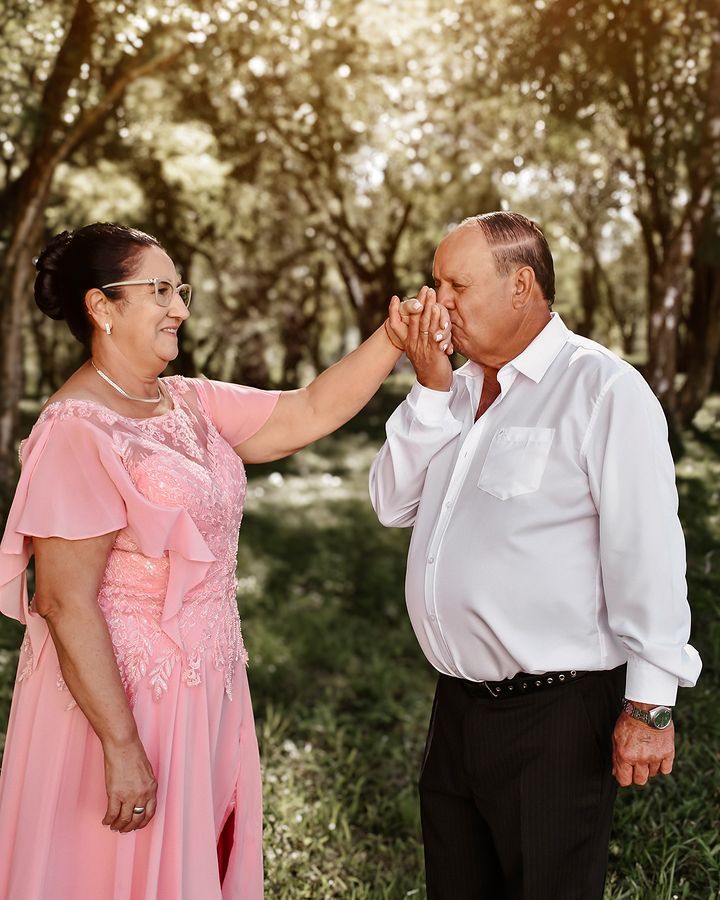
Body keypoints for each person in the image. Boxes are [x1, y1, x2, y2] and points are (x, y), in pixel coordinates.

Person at [0, 222, 451, 900]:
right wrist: (121, 747)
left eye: (178, 289)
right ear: (102, 307)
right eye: (159, 290)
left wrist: (392, 340)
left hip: (205, 686)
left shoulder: (186, 400)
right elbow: (64, 601)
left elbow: (309, 409)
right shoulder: (75, 429)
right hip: (117, 701)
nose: (179, 307)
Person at [369, 211, 702, 900]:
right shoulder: (453, 390)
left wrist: (650, 706)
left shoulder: (602, 388)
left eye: (457, 284)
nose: (439, 303)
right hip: (456, 712)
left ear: (521, 285)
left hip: (555, 716)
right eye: (436, 284)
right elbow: (390, 503)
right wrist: (430, 389)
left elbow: (647, 551)